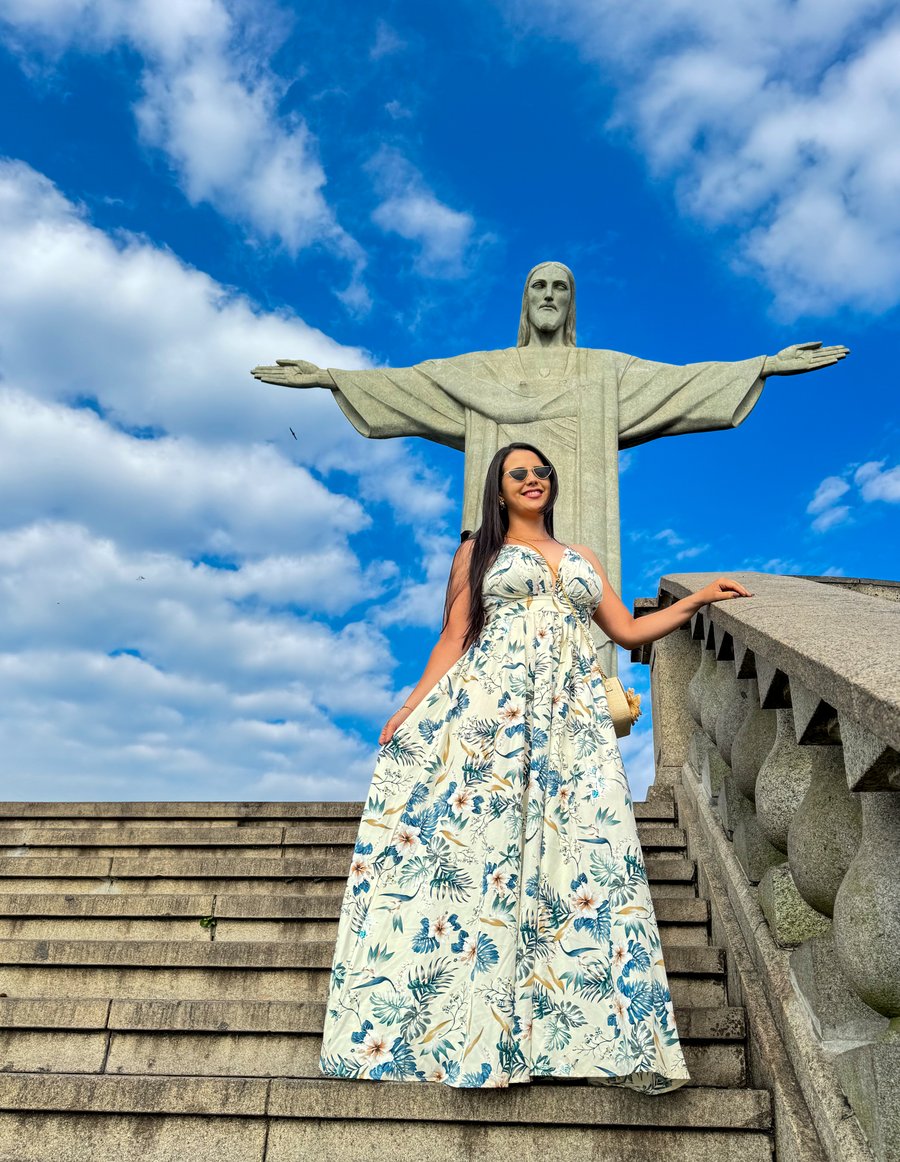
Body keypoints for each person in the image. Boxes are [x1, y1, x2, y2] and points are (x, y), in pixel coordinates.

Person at [319, 442, 751, 1092]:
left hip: (571, 721)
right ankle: (473, 1029)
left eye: (540, 471)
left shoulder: (582, 558)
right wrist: (410, 706)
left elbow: (627, 631)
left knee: (581, 854)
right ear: (498, 489)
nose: (531, 479)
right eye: (517, 473)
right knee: (490, 857)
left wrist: (695, 602)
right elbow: (456, 634)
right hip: (494, 713)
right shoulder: (478, 552)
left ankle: (584, 1034)